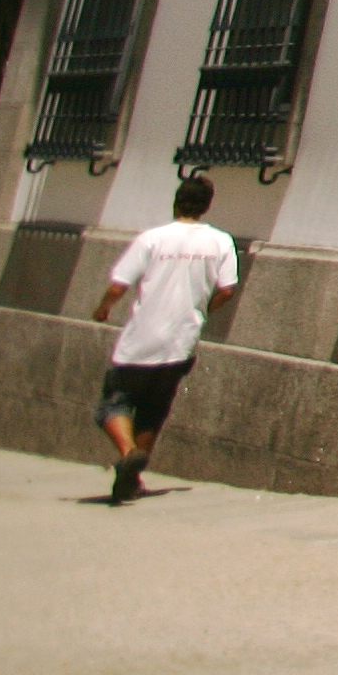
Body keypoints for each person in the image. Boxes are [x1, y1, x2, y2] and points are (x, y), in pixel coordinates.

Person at [94, 171, 239, 502]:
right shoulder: (220, 242)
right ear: (206, 207)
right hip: (180, 343)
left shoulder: (153, 239)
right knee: (153, 411)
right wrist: (202, 311)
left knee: (113, 403)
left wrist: (102, 308)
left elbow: (119, 285)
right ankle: (130, 480)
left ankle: (128, 452)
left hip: (140, 341)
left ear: (176, 202)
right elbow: (227, 290)